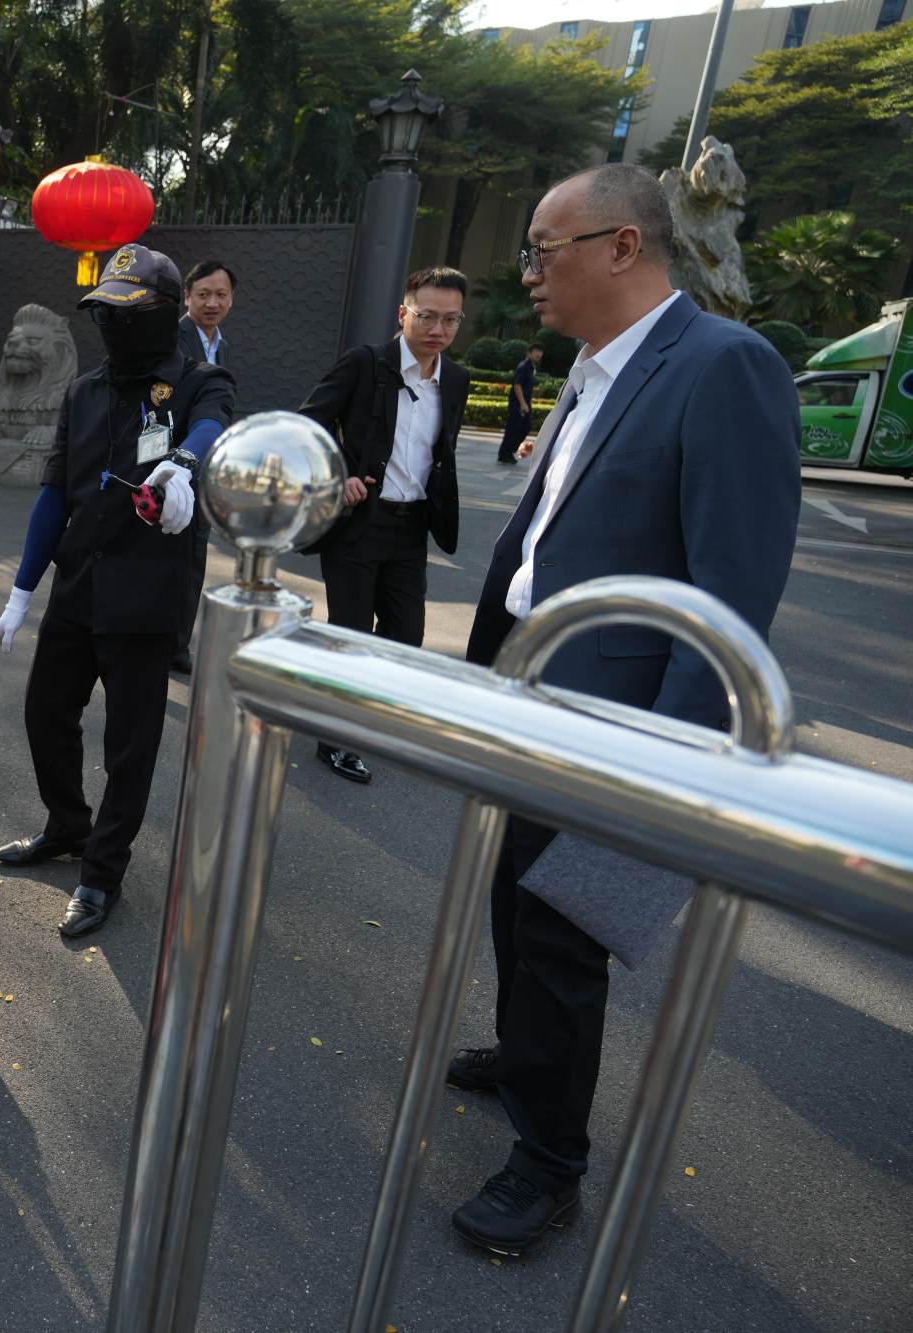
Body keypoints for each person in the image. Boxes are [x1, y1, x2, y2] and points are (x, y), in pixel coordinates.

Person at [448, 164, 800, 1257]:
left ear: (621, 247)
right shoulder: (594, 370)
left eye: (543, 247)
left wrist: (664, 764)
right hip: (530, 701)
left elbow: (729, 600)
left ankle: (548, 1164)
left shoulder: (723, 366)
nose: (528, 272)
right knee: (513, 904)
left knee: (564, 936)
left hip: (616, 728)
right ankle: (522, 1054)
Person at [0, 243, 235, 939]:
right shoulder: (83, 391)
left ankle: (103, 870)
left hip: (146, 596)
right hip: (78, 582)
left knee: (130, 744)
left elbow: (214, 425)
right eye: (106, 313)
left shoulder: (195, 381)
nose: (115, 326)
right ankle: (67, 826)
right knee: (45, 712)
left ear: (162, 312)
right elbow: (53, 492)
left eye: (130, 312)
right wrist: (20, 593)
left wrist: (185, 459)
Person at [297, 266, 471, 785]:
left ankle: (361, 714)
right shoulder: (365, 365)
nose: (438, 328)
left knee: (403, 635)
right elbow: (309, 424)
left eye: (450, 319)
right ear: (404, 314)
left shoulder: (455, 380)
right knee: (350, 632)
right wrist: (341, 475)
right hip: (358, 522)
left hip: (411, 526)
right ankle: (336, 740)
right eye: (427, 316)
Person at [172, 259, 238, 676]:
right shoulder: (172, 339)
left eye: (221, 295)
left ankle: (177, 646)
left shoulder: (222, 346)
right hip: (170, 466)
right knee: (163, 558)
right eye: (203, 294)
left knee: (194, 559)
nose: (212, 302)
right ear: (187, 297)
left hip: (204, 475)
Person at [496, 344, 545, 465]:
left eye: (540, 351)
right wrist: (523, 403)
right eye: (536, 351)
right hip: (517, 405)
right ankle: (504, 454)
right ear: (528, 353)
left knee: (525, 427)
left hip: (524, 403)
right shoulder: (524, 367)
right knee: (513, 429)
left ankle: (509, 450)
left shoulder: (531, 367)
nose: (538, 354)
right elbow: (517, 385)